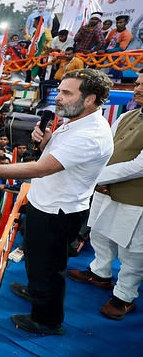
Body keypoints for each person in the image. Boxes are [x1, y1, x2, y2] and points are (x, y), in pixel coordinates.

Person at [0, 68, 114, 335]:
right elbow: (54, 159)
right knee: (36, 258)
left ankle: (47, 321)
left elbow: (42, 168)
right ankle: (35, 291)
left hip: (58, 212)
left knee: (50, 268)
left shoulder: (90, 135)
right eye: (60, 91)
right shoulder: (75, 121)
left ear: (90, 99)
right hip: (44, 203)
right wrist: (45, 142)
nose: (58, 98)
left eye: (67, 93)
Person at [67, 74, 143, 320]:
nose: (138, 88)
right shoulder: (127, 115)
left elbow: (138, 166)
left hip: (135, 199)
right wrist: (99, 179)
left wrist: (97, 178)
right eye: (138, 83)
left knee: (132, 251)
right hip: (105, 189)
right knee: (99, 233)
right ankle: (100, 273)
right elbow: (105, 148)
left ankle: (124, 297)